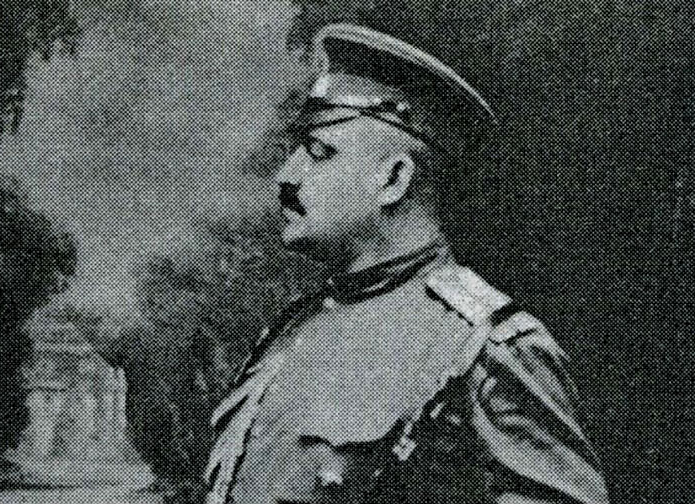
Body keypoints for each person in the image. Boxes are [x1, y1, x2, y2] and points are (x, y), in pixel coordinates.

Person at [203, 23, 609, 504]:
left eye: (319, 153)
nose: (288, 176)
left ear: (394, 179)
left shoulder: (479, 346)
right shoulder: (290, 333)